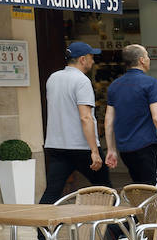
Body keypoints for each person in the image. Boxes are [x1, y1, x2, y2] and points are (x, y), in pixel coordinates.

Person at [39, 41, 112, 206]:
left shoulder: (53, 78)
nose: (93, 61)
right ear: (82, 59)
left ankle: (42, 232)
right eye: (91, 57)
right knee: (106, 190)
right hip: (82, 147)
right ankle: (117, 230)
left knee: (52, 192)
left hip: (57, 146)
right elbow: (85, 117)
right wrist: (94, 151)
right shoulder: (82, 81)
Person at [106, 44, 157, 184]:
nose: (149, 59)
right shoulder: (151, 83)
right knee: (150, 188)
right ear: (142, 60)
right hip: (145, 145)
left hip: (124, 149)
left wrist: (111, 149)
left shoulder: (114, 85)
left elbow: (108, 120)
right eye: (148, 56)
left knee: (138, 186)